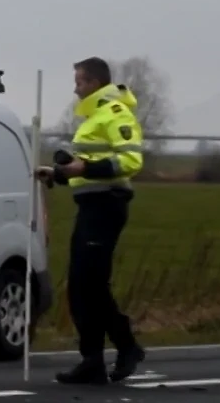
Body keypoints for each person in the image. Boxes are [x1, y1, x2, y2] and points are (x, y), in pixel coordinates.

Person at [35, 57, 147, 385]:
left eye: (80, 82)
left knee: (90, 284)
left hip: (106, 207)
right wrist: (58, 173)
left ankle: (124, 347)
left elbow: (131, 160)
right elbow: (85, 167)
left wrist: (83, 169)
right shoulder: (90, 118)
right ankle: (93, 360)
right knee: (82, 285)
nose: (75, 88)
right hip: (90, 206)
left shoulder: (114, 114)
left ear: (96, 83)